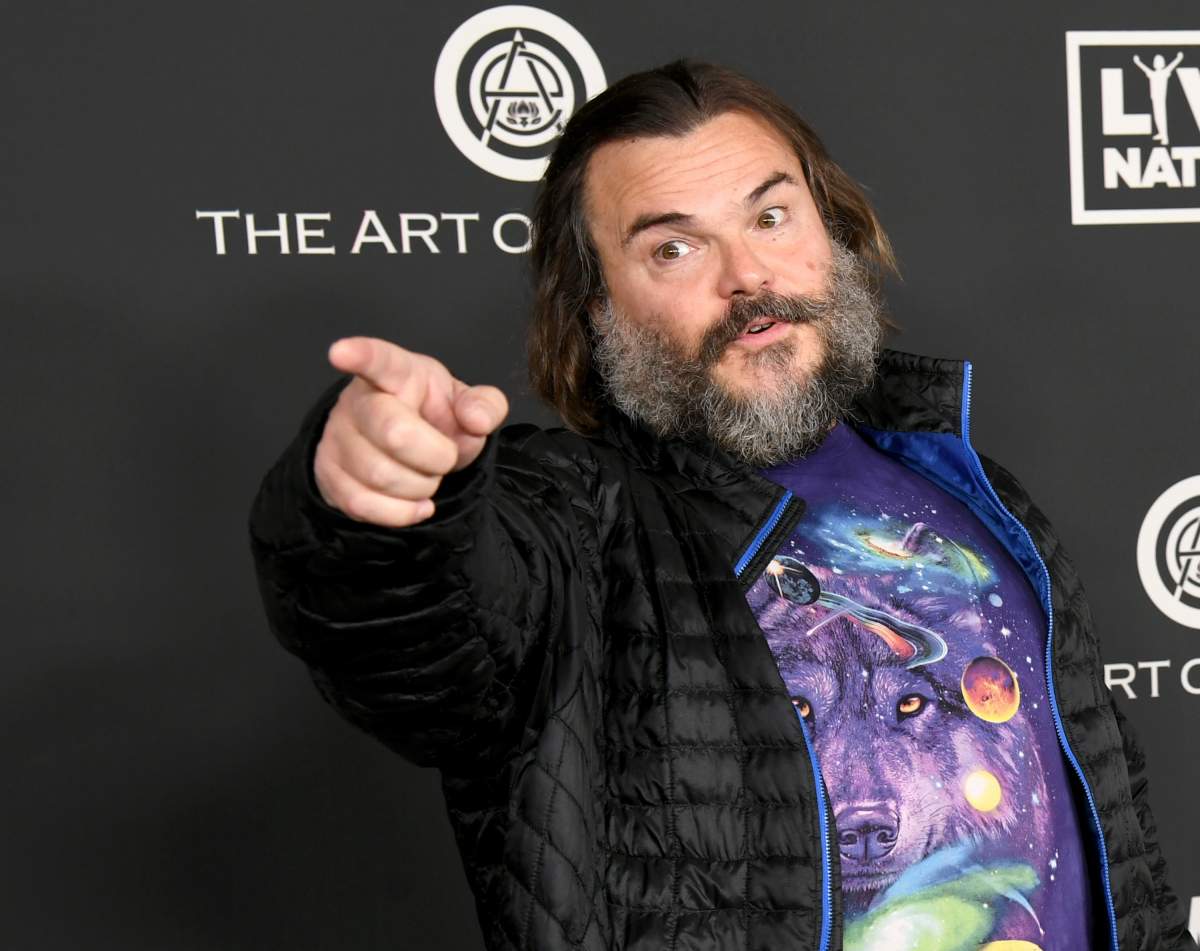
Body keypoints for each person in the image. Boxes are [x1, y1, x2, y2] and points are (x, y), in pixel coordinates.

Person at [248, 60, 1194, 951]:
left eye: (771, 217)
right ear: (595, 309)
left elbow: (1116, 854)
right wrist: (382, 507)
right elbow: (424, 629)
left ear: (833, 232)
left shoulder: (973, 488)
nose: (746, 275)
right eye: (674, 247)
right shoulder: (577, 520)